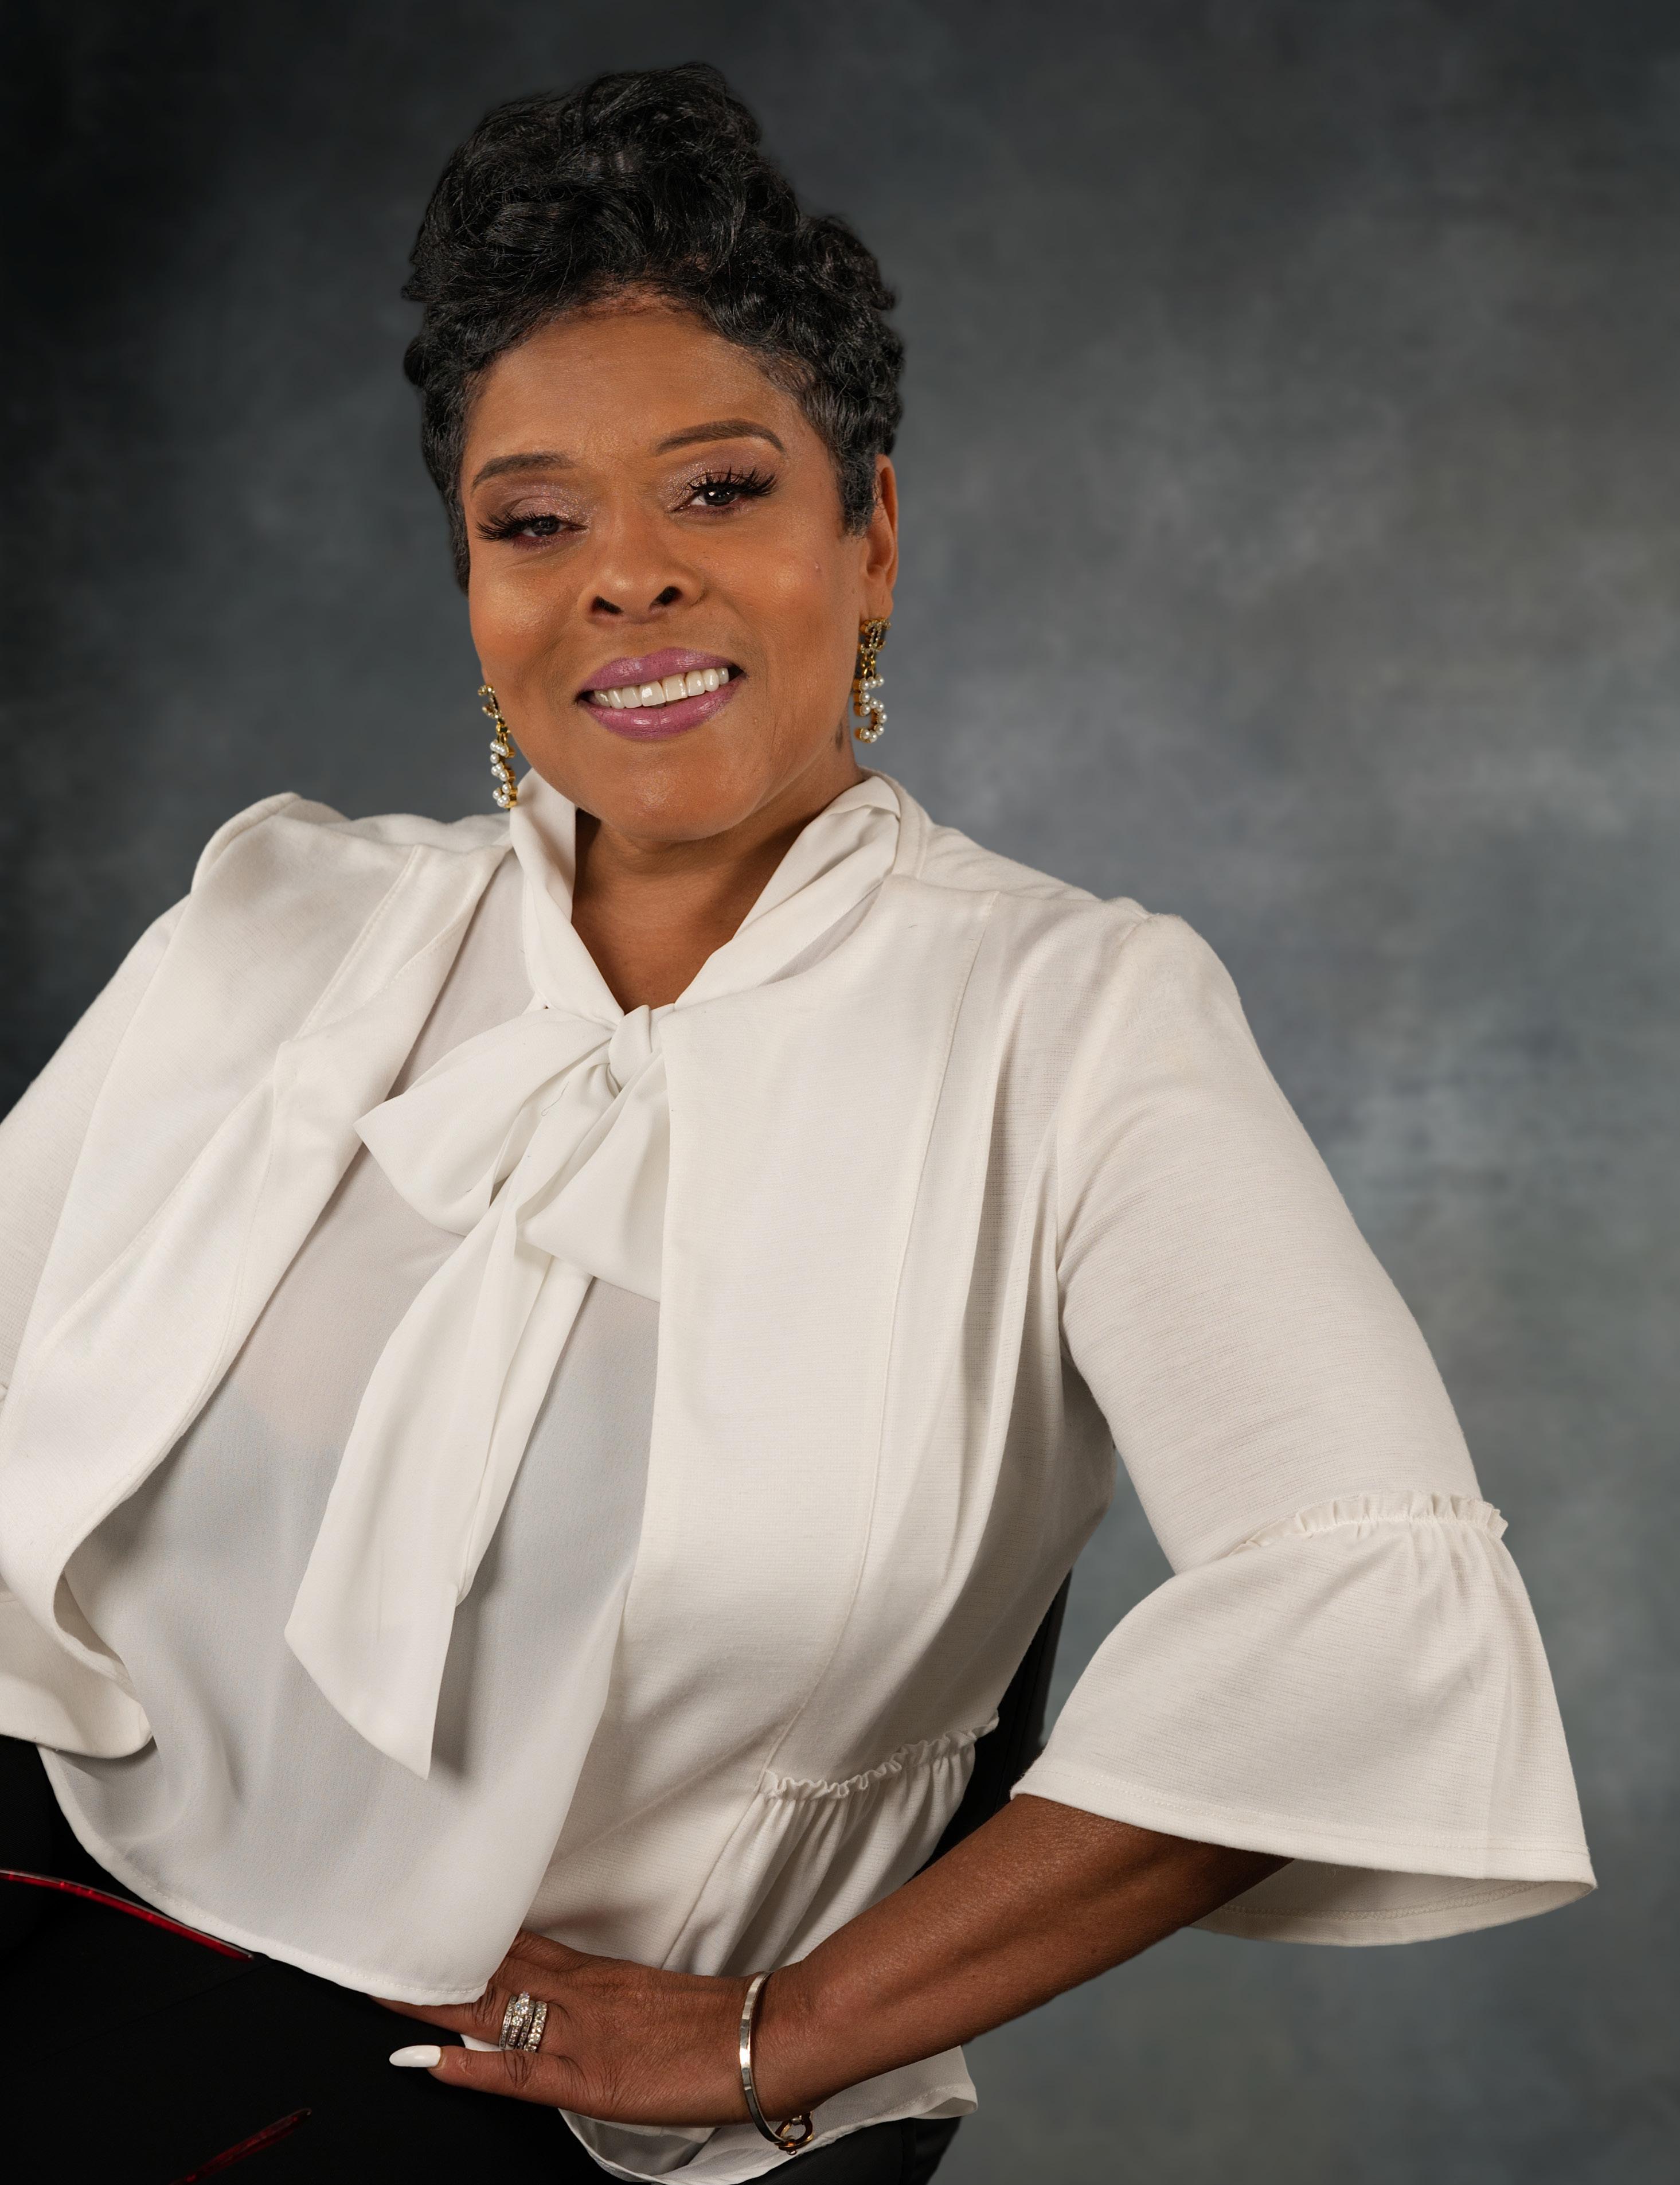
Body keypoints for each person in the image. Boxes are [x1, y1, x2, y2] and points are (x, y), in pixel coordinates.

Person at [0, 61, 1592, 2183]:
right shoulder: (277, 927)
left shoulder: (1073, 1020)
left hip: (563, 2118)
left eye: (720, 490)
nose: (626, 580)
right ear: (471, 584)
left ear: (874, 535)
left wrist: (784, 2030)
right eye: (535, 521)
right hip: (68, 1917)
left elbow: (1365, 1612)